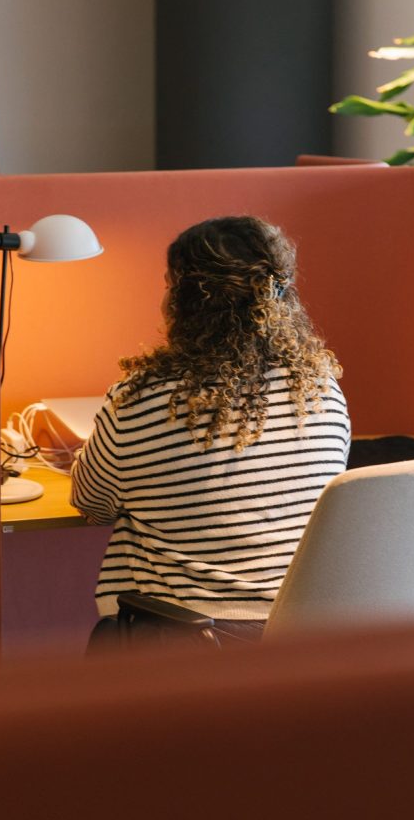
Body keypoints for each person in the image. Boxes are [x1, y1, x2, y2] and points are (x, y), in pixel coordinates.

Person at [70, 215, 350, 640]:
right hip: (303, 642)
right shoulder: (320, 390)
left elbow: (91, 504)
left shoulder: (141, 399)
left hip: (189, 643)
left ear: (184, 301)